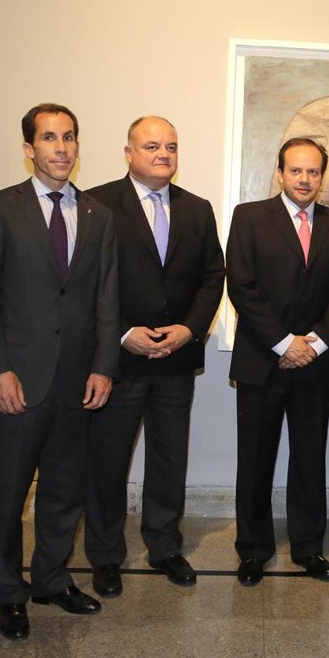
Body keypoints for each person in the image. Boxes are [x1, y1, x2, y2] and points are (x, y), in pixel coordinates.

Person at [0, 103, 119, 640]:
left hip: (77, 381)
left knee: (64, 490)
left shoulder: (99, 215)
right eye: (50, 138)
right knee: (10, 494)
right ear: (29, 148)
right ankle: (9, 593)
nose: (62, 147)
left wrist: (104, 367)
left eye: (69, 137)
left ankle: (52, 579)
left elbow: (107, 299)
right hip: (17, 380)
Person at [84, 116, 224, 590]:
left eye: (171, 146)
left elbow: (213, 277)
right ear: (129, 153)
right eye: (151, 146)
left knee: (169, 457)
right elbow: (87, 282)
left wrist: (190, 329)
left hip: (175, 360)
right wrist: (123, 332)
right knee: (108, 460)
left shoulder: (197, 209)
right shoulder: (97, 203)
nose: (163, 154)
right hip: (117, 361)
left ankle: (165, 546)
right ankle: (105, 554)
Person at [225, 138, 329, 585]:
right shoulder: (249, 217)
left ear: (323, 176)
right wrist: (284, 344)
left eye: (313, 172)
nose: (304, 179)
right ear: (280, 173)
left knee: (309, 459)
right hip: (261, 361)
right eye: (296, 171)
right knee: (255, 460)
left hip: (315, 365)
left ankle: (308, 547)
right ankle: (253, 549)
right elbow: (242, 286)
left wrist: (313, 344)